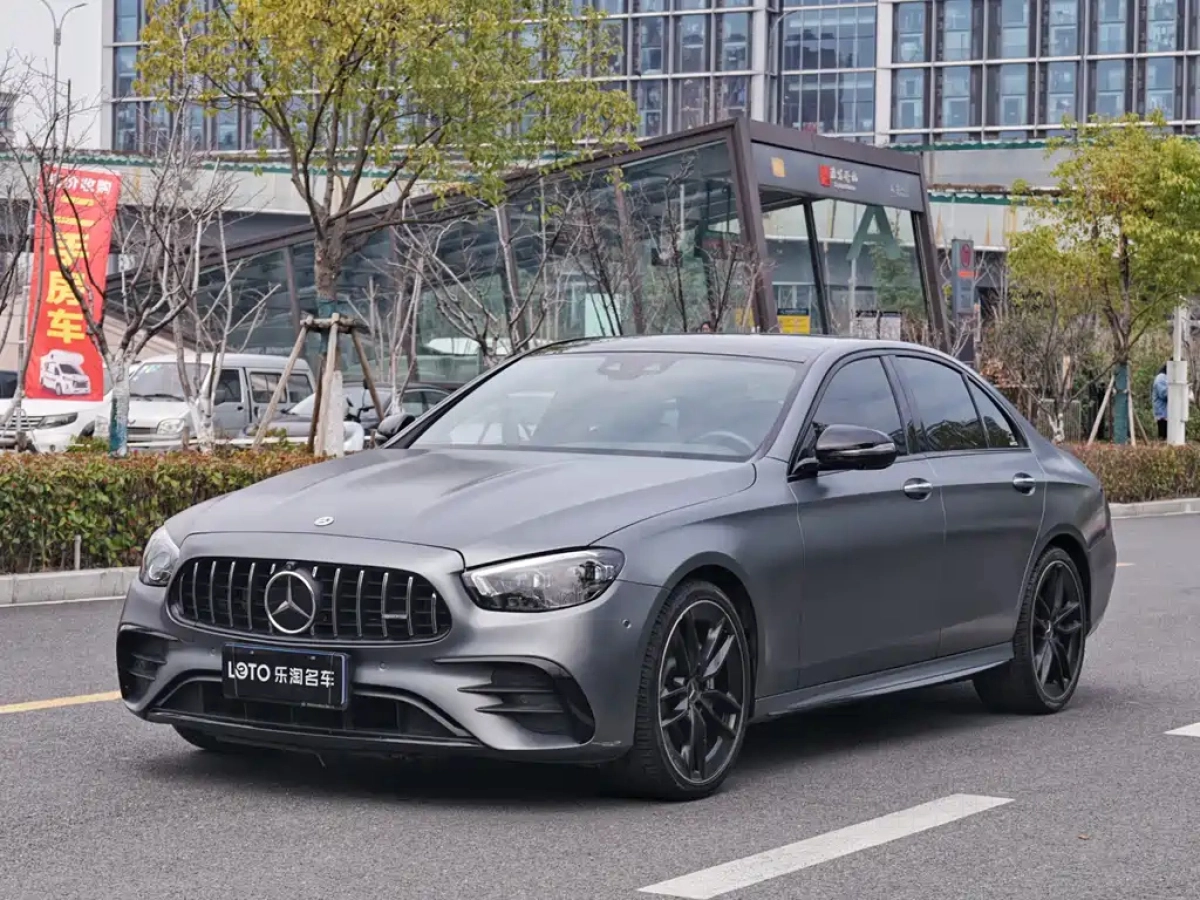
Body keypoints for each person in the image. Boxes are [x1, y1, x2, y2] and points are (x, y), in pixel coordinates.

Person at [1153, 363, 1169, 440]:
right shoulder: (1161, 378)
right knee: (1164, 438)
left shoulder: (1166, 378)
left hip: (1168, 414)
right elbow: (1164, 394)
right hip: (1163, 414)